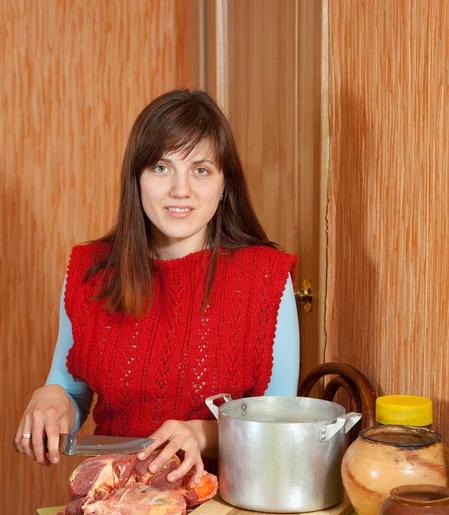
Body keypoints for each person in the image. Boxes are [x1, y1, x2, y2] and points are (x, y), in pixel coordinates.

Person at [15, 89, 300, 486]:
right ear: (137, 178)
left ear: (223, 185)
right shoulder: (90, 271)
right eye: (162, 168)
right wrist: (51, 396)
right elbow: (73, 393)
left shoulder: (266, 276)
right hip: (113, 507)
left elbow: (280, 424)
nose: (180, 190)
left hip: (225, 509)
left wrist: (200, 433)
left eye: (201, 170)